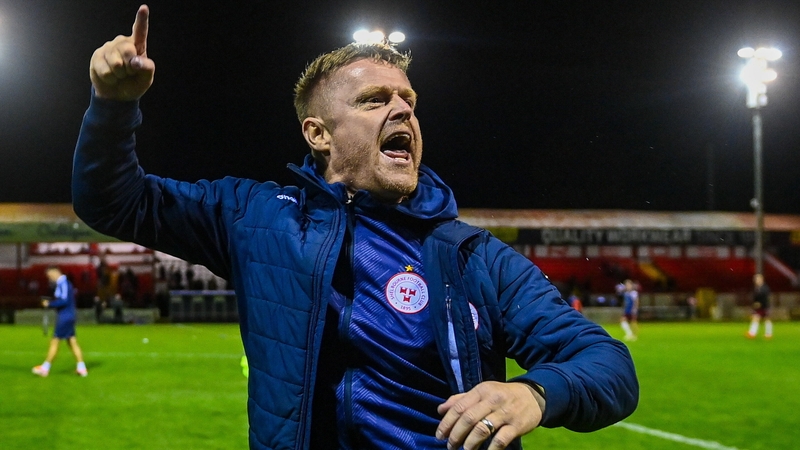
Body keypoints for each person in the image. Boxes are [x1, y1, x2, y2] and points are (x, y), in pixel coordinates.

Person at [73, 6, 638, 449]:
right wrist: (112, 107)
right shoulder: (255, 217)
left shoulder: (472, 256)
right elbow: (113, 201)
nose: (403, 110)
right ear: (318, 134)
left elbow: (609, 366)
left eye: (408, 100)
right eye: (374, 100)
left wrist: (534, 393)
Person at [32, 266, 88, 377]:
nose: (49, 279)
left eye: (50, 276)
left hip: (65, 317)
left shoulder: (63, 284)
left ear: (54, 273)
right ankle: (82, 368)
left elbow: (64, 301)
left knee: (55, 341)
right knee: (72, 342)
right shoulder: (63, 284)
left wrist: (49, 304)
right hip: (69, 315)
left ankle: (45, 368)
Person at [746, 273, 773, 339]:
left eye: (757, 279)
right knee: (756, 318)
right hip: (758, 307)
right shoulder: (756, 288)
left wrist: (760, 303)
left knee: (766, 319)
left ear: (761, 279)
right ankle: (752, 333)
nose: (756, 280)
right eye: (755, 279)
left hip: (764, 306)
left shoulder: (765, 288)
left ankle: (768, 334)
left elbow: (765, 297)